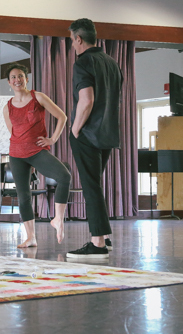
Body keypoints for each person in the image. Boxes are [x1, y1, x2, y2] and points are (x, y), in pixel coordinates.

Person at [66, 18, 123, 259]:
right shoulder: (111, 62)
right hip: (108, 134)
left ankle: (97, 242)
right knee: (95, 187)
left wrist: (75, 129)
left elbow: (86, 101)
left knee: (91, 187)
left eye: (71, 41)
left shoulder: (83, 62)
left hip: (88, 133)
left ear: (78, 39)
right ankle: (104, 238)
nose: (72, 45)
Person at [2, 63, 71, 248]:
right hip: (16, 155)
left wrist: (52, 139)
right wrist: (20, 148)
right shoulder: (7, 107)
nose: (17, 79)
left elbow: (62, 117)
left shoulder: (38, 97)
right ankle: (30, 237)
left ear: (26, 79)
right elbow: (13, 132)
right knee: (23, 195)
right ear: (9, 82)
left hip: (37, 151)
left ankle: (58, 219)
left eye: (21, 76)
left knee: (64, 176)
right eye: (14, 77)